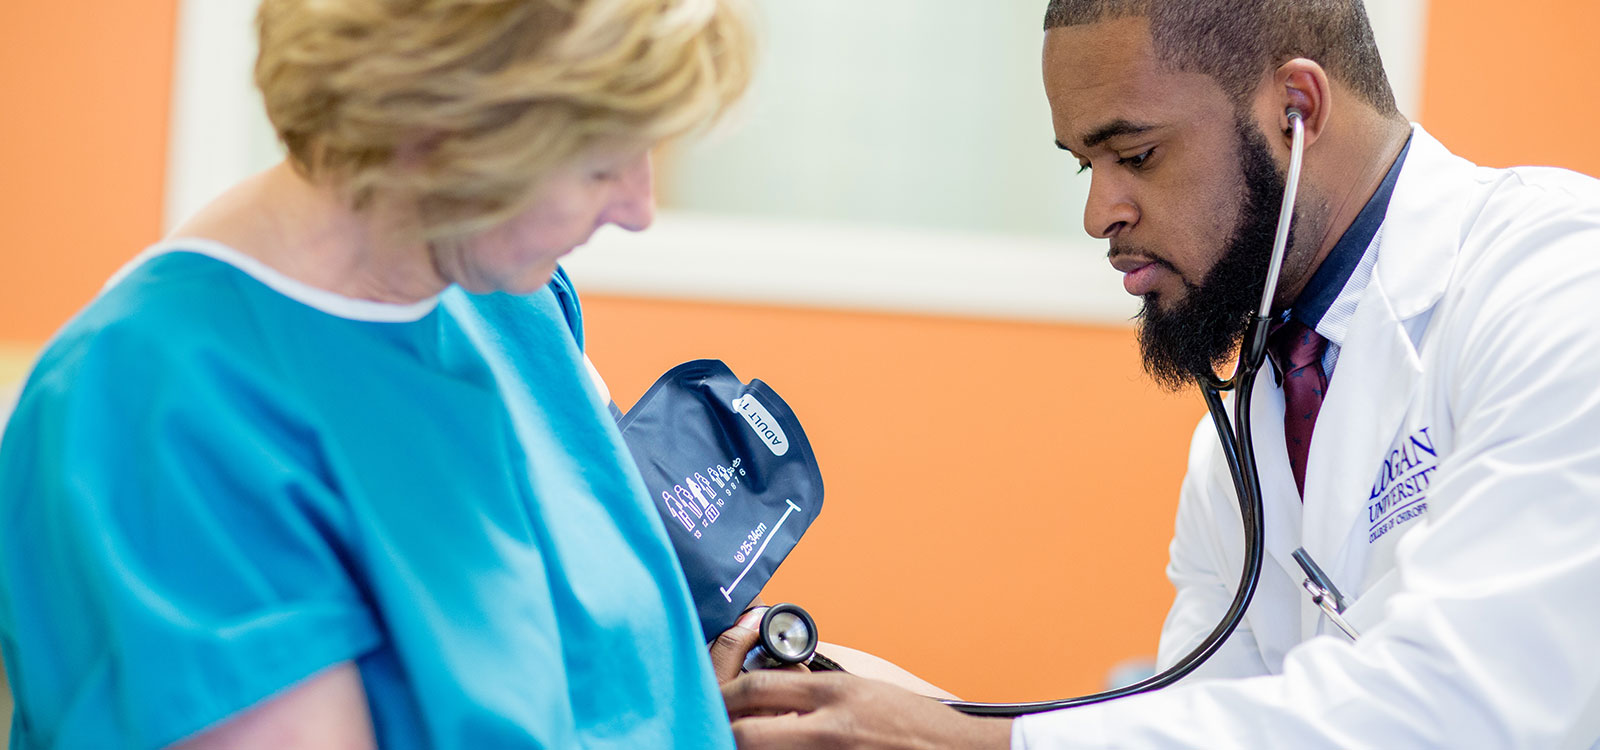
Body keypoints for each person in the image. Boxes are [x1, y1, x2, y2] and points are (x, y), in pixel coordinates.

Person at [718, 1, 1600, 747]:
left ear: (1297, 108)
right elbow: (1198, 718)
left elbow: (1469, 706)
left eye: (1135, 155)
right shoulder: (1247, 432)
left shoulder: (1554, 287)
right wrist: (894, 708)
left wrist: (967, 738)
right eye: (1083, 165)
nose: (1101, 212)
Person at [0, 0, 751, 747]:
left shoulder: (503, 296)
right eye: (599, 166)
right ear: (432, 132)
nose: (638, 208)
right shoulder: (155, 406)